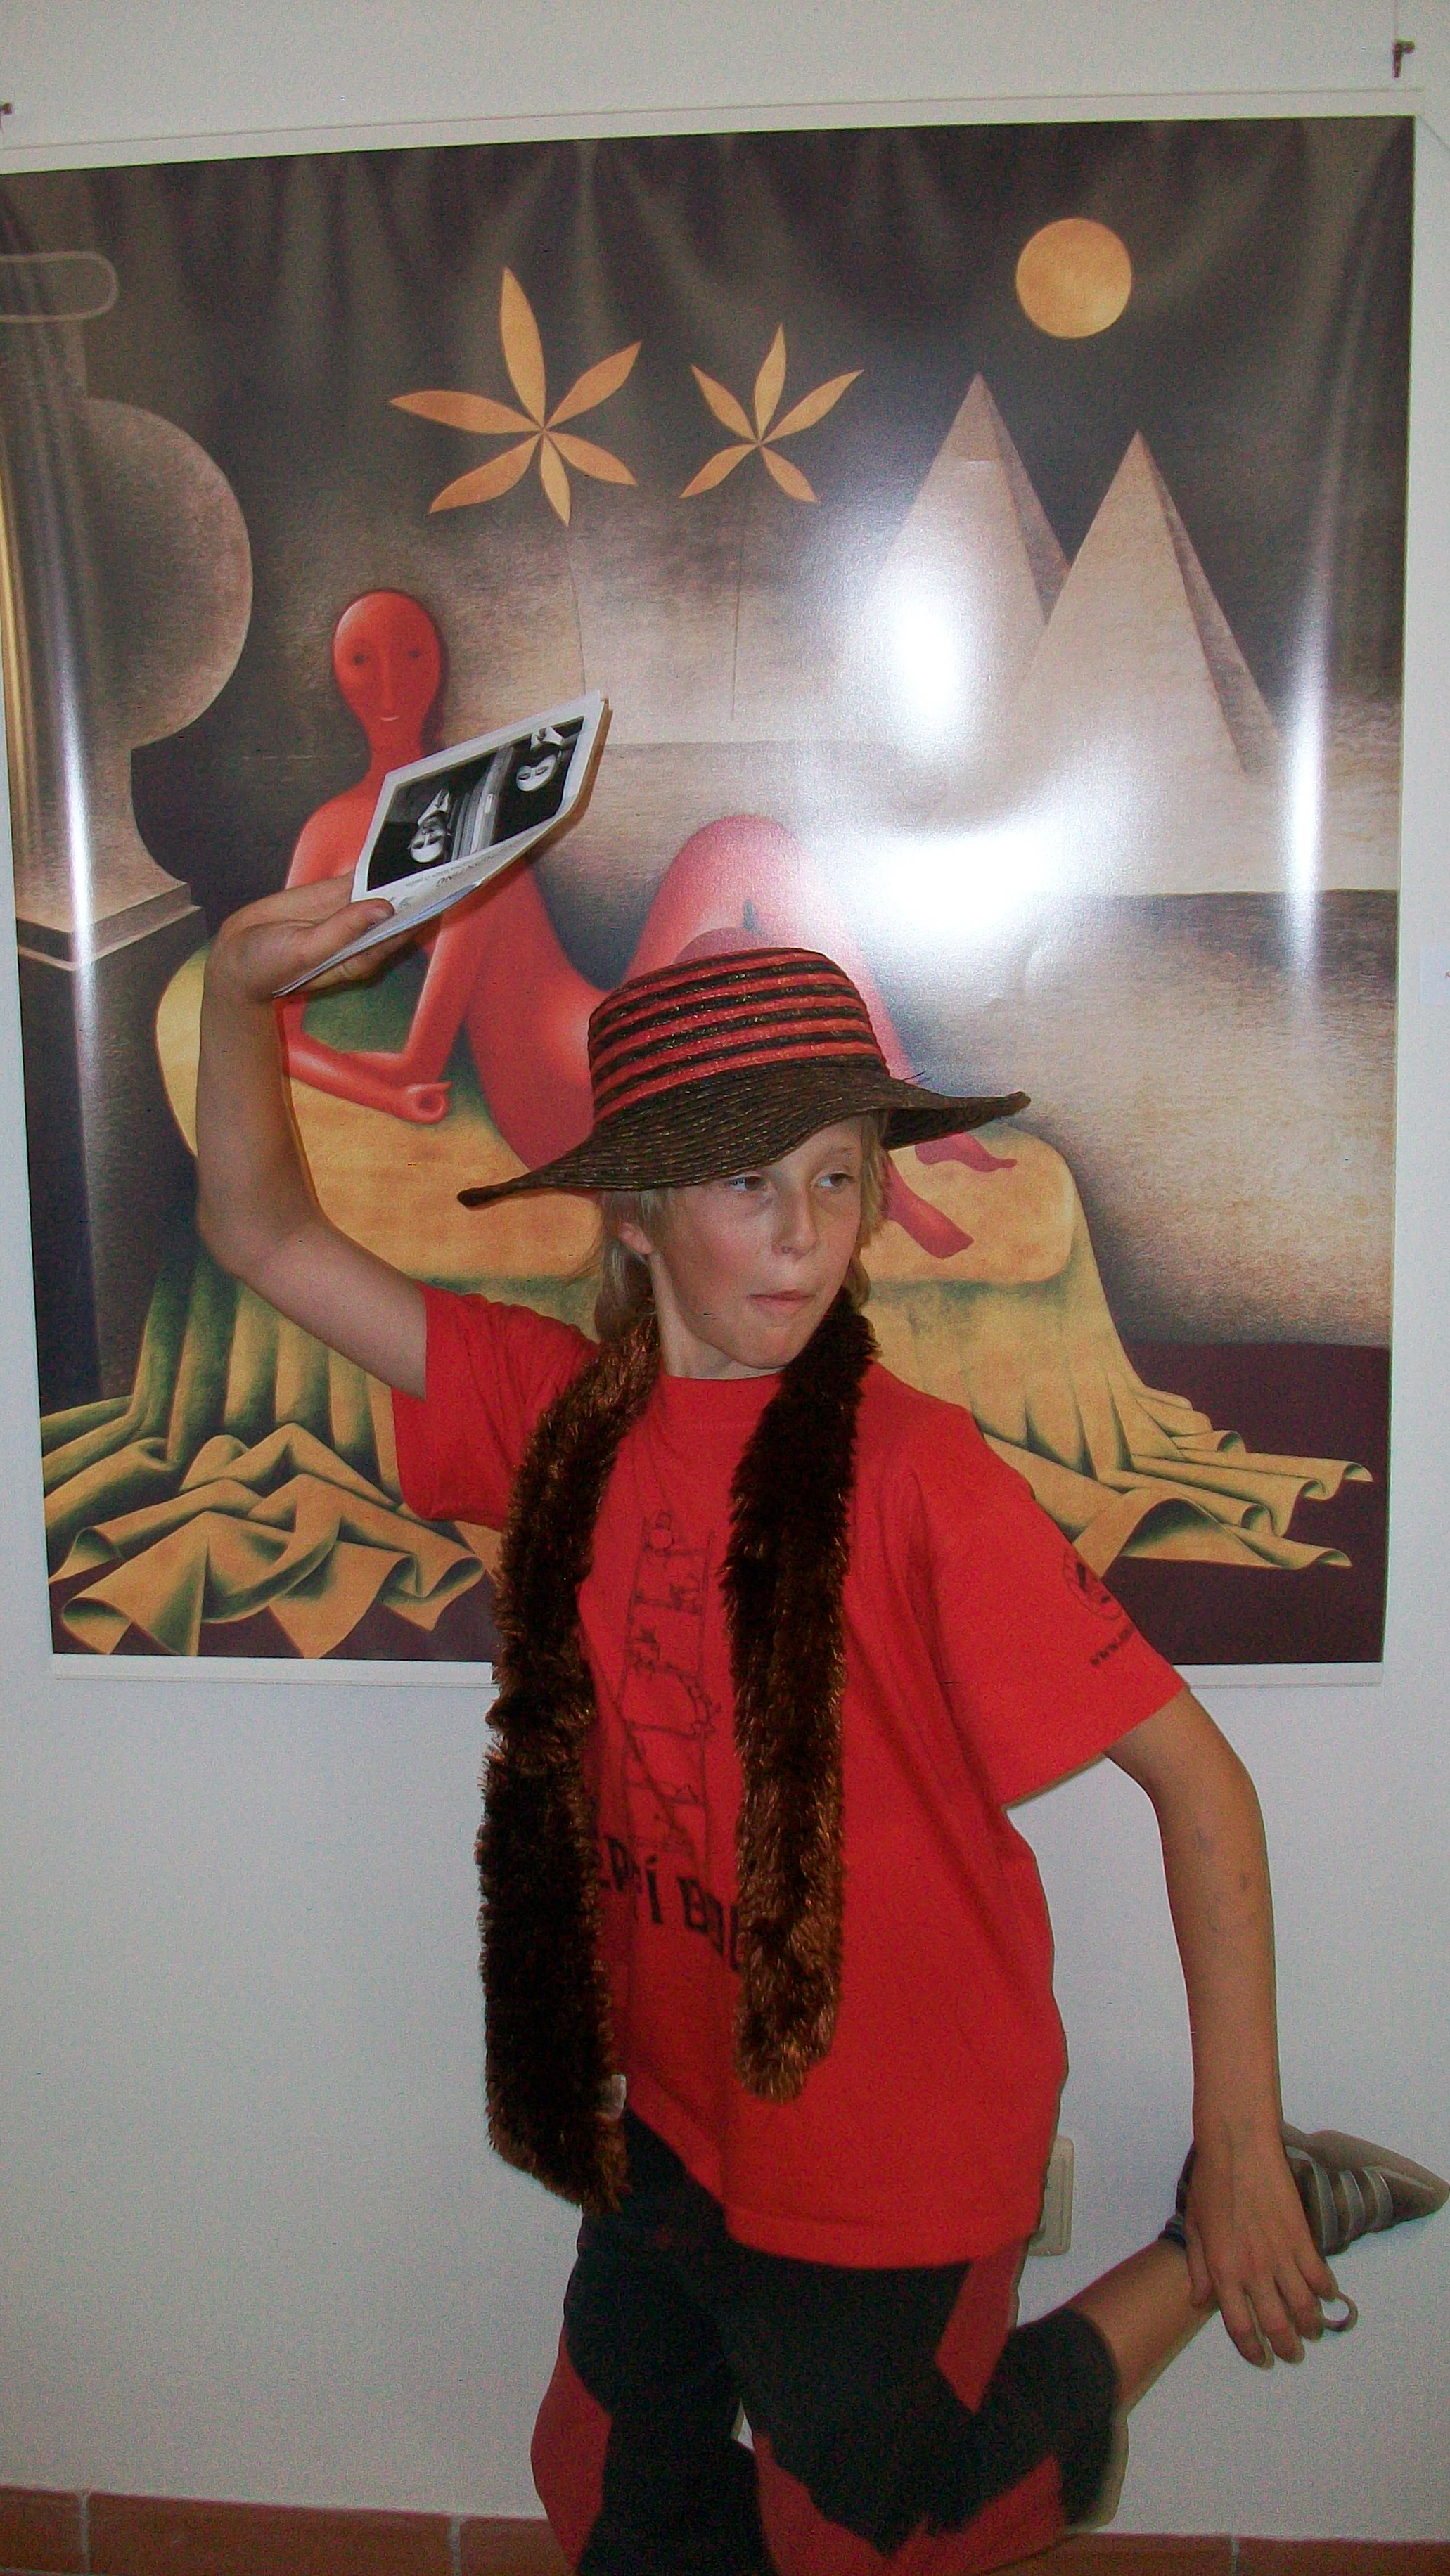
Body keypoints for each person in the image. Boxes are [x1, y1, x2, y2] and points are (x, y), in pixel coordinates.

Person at [196, 875, 1446, 2576]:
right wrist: (235, 991)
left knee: (868, 2534)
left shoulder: (917, 1475)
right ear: (632, 1213)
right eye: (743, 1180)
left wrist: (1232, 2144)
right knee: (600, 2487)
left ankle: (1219, 2236)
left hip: (897, 2144)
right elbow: (262, 1235)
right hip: (679, 2108)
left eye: (836, 1175)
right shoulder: (552, 1415)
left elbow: (1199, 1784)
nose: (802, 1231)